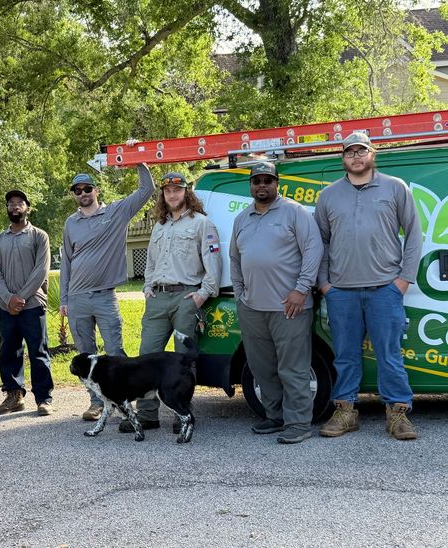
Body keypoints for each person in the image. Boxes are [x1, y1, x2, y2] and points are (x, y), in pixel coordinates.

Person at [315, 133, 422, 440]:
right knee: (345, 355)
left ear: (373, 154)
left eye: (362, 150)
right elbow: (320, 242)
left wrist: (402, 281)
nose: (356, 156)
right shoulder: (329, 196)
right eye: (350, 152)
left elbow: (413, 235)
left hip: (384, 290)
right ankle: (346, 412)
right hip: (342, 293)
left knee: (390, 354)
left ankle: (398, 414)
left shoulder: (395, 188)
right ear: (343, 159)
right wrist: (325, 284)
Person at [119, 171, 223, 433]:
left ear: (187, 193)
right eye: (167, 191)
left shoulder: (202, 224)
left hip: (185, 298)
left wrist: (202, 294)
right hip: (157, 299)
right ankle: (147, 415)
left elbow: (213, 263)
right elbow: (151, 262)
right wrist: (147, 287)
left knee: (182, 359)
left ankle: (182, 413)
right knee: (146, 356)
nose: (172, 194)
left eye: (177, 190)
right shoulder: (159, 226)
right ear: (163, 195)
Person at [230, 162, 323, 444]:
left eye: (267, 180)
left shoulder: (295, 212)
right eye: (256, 180)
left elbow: (313, 250)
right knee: (261, 367)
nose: (262, 185)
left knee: (293, 367)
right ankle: (275, 416)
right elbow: (235, 259)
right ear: (250, 185)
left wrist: (301, 289)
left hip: (289, 307)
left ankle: (298, 423)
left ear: (277, 183)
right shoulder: (242, 218)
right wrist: (239, 294)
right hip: (252, 308)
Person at [60, 167, 155, 421]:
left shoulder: (115, 213)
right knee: (85, 354)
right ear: (75, 195)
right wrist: (64, 299)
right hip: (77, 297)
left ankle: (124, 402)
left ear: (96, 190)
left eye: (87, 189)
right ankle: (96, 403)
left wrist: (138, 162)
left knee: (115, 352)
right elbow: (67, 262)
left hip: (104, 297)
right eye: (78, 191)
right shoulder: (71, 223)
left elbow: (147, 190)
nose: (83, 193)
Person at [0, 189, 54, 416]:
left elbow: (41, 270)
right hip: (6, 306)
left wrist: (21, 297)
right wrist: (9, 298)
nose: (15, 207)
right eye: (11, 204)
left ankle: (44, 398)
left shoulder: (39, 236)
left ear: (27, 208)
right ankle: (13, 396)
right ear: (7, 209)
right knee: (9, 351)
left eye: (19, 203)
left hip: (33, 304)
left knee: (38, 352)